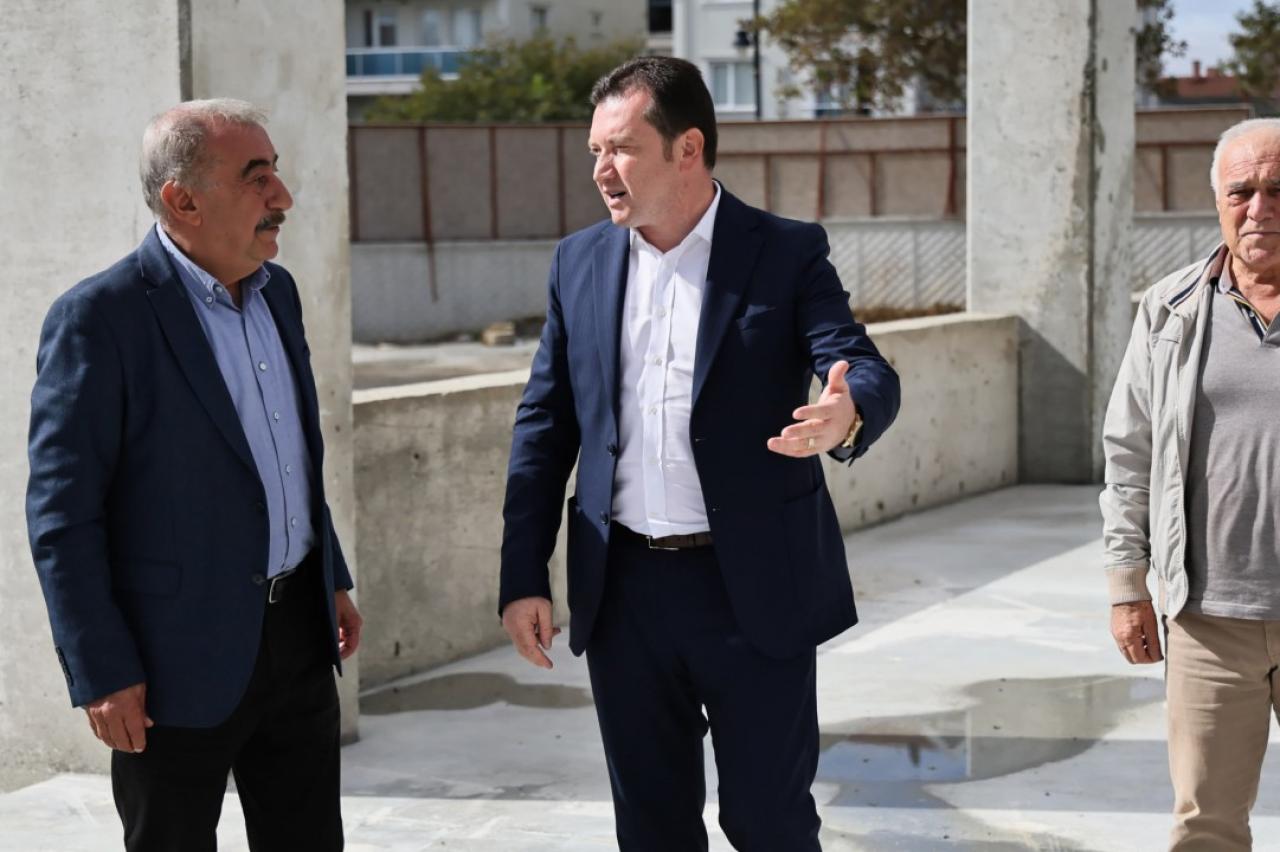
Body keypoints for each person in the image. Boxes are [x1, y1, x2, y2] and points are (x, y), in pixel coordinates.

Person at [498, 57, 900, 850]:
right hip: (624, 595)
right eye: (595, 151)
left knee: (770, 823)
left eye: (621, 149)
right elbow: (544, 424)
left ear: (688, 148)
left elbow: (858, 360)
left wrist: (846, 410)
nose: (601, 170)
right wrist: (522, 576)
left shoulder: (783, 251)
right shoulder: (578, 263)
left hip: (751, 588)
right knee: (651, 829)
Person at [25, 99, 362, 852]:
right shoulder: (99, 318)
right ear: (183, 200)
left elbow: (289, 456)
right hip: (169, 663)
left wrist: (329, 576)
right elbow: (62, 515)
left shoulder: (278, 292)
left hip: (299, 638)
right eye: (256, 177)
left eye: (276, 172)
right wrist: (100, 670)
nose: (283, 196)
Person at [1103, 117, 1280, 850]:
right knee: (1205, 826)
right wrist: (1127, 586)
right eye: (1242, 191)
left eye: (1278, 190)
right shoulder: (1170, 310)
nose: (1259, 208)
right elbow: (1129, 452)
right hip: (1208, 619)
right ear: (1217, 202)